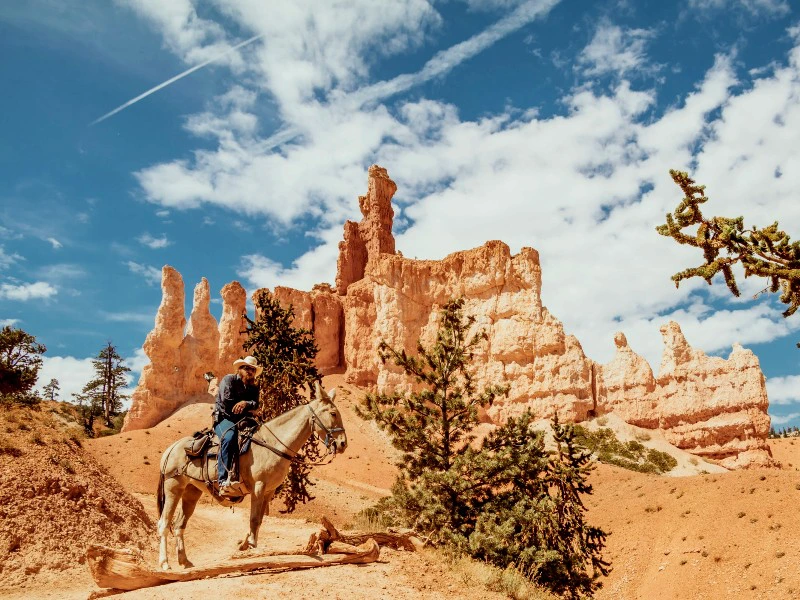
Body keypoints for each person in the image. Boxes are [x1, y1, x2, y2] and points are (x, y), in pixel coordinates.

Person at [213, 355, 262, 495]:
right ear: (240, 369)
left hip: (243, 419)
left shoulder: (253, 388)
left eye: (253, 369)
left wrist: (245, 403)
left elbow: (256, 404)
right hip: (224, 418)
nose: (250, 371)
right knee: (229, 437)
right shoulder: (229, 380)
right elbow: (228, 403)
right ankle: (223, 480)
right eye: (247, 368)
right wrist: (249, 409)